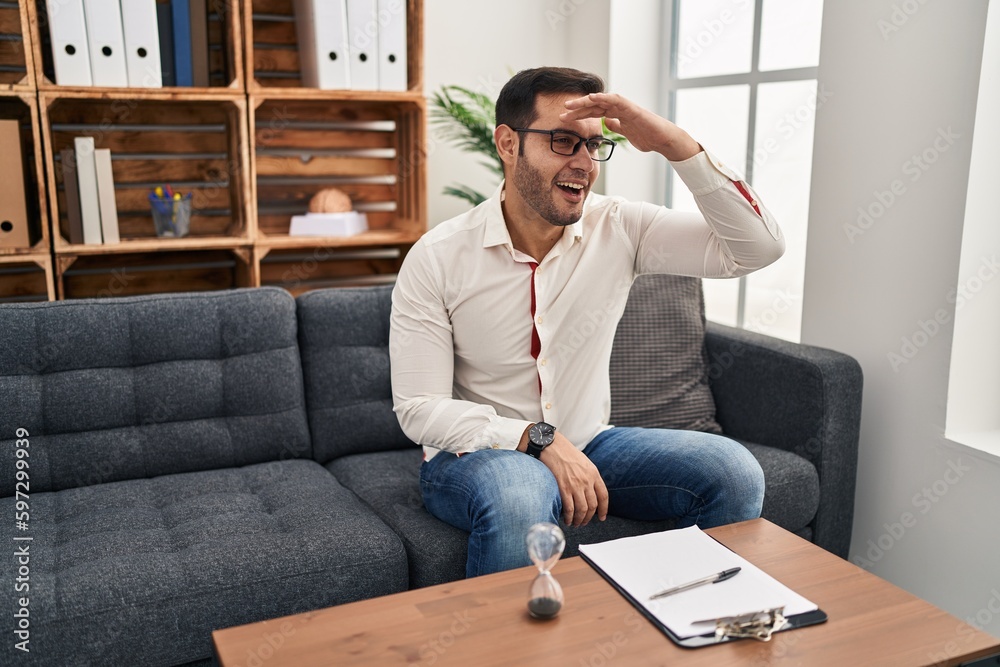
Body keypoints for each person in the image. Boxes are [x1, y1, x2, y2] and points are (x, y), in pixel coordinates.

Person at [390, 67, 785, 578]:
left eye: (594, 146)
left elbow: (757, 249)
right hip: (474, 455)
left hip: (590, 441)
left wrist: (674, 145)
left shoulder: (620, 226)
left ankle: (684, 628)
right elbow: (418, 409)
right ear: (508, 144)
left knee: (732, 472)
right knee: (520, 495)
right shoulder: (437, 257)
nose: (584, 163)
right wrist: (538, 438)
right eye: (563, 141)